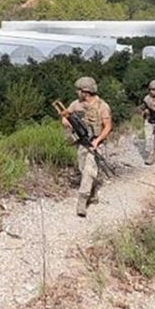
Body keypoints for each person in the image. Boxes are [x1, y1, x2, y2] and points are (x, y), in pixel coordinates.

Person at [60, 76, 113, 217]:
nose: (77, 93)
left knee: (89, 169)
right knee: (83, 169)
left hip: (96, 142)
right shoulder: (76, 104)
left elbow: (108, 126)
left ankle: (82, 202)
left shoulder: (102, 106)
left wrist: (97, 141)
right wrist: (66, 121)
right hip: (82, 142)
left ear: (85, 92)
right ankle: (93, 191)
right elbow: (65, 115)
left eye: (79, 90)